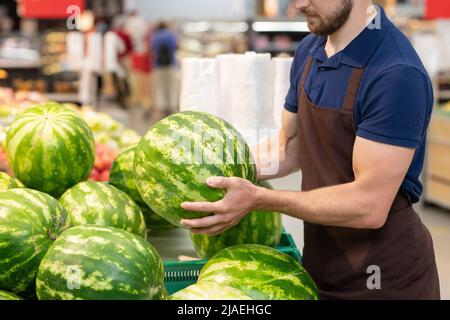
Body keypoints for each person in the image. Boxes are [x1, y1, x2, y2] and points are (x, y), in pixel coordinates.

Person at [180, 0, 440, 300]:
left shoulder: (396, 73)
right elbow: (289, 147)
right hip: (321, 261)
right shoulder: (309, 50)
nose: (299, 4)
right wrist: (210, 169)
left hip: (383, 278)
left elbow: (369, 205)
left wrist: (259, 199)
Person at [150, 21, 179, 119]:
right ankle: (172, 106)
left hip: (157, 65)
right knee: (172, 87)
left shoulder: (155, 36)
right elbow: (175, 47)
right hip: (171, 64)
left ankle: (161, 107)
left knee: (160, 88)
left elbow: (152, 49)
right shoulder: (171, 35)